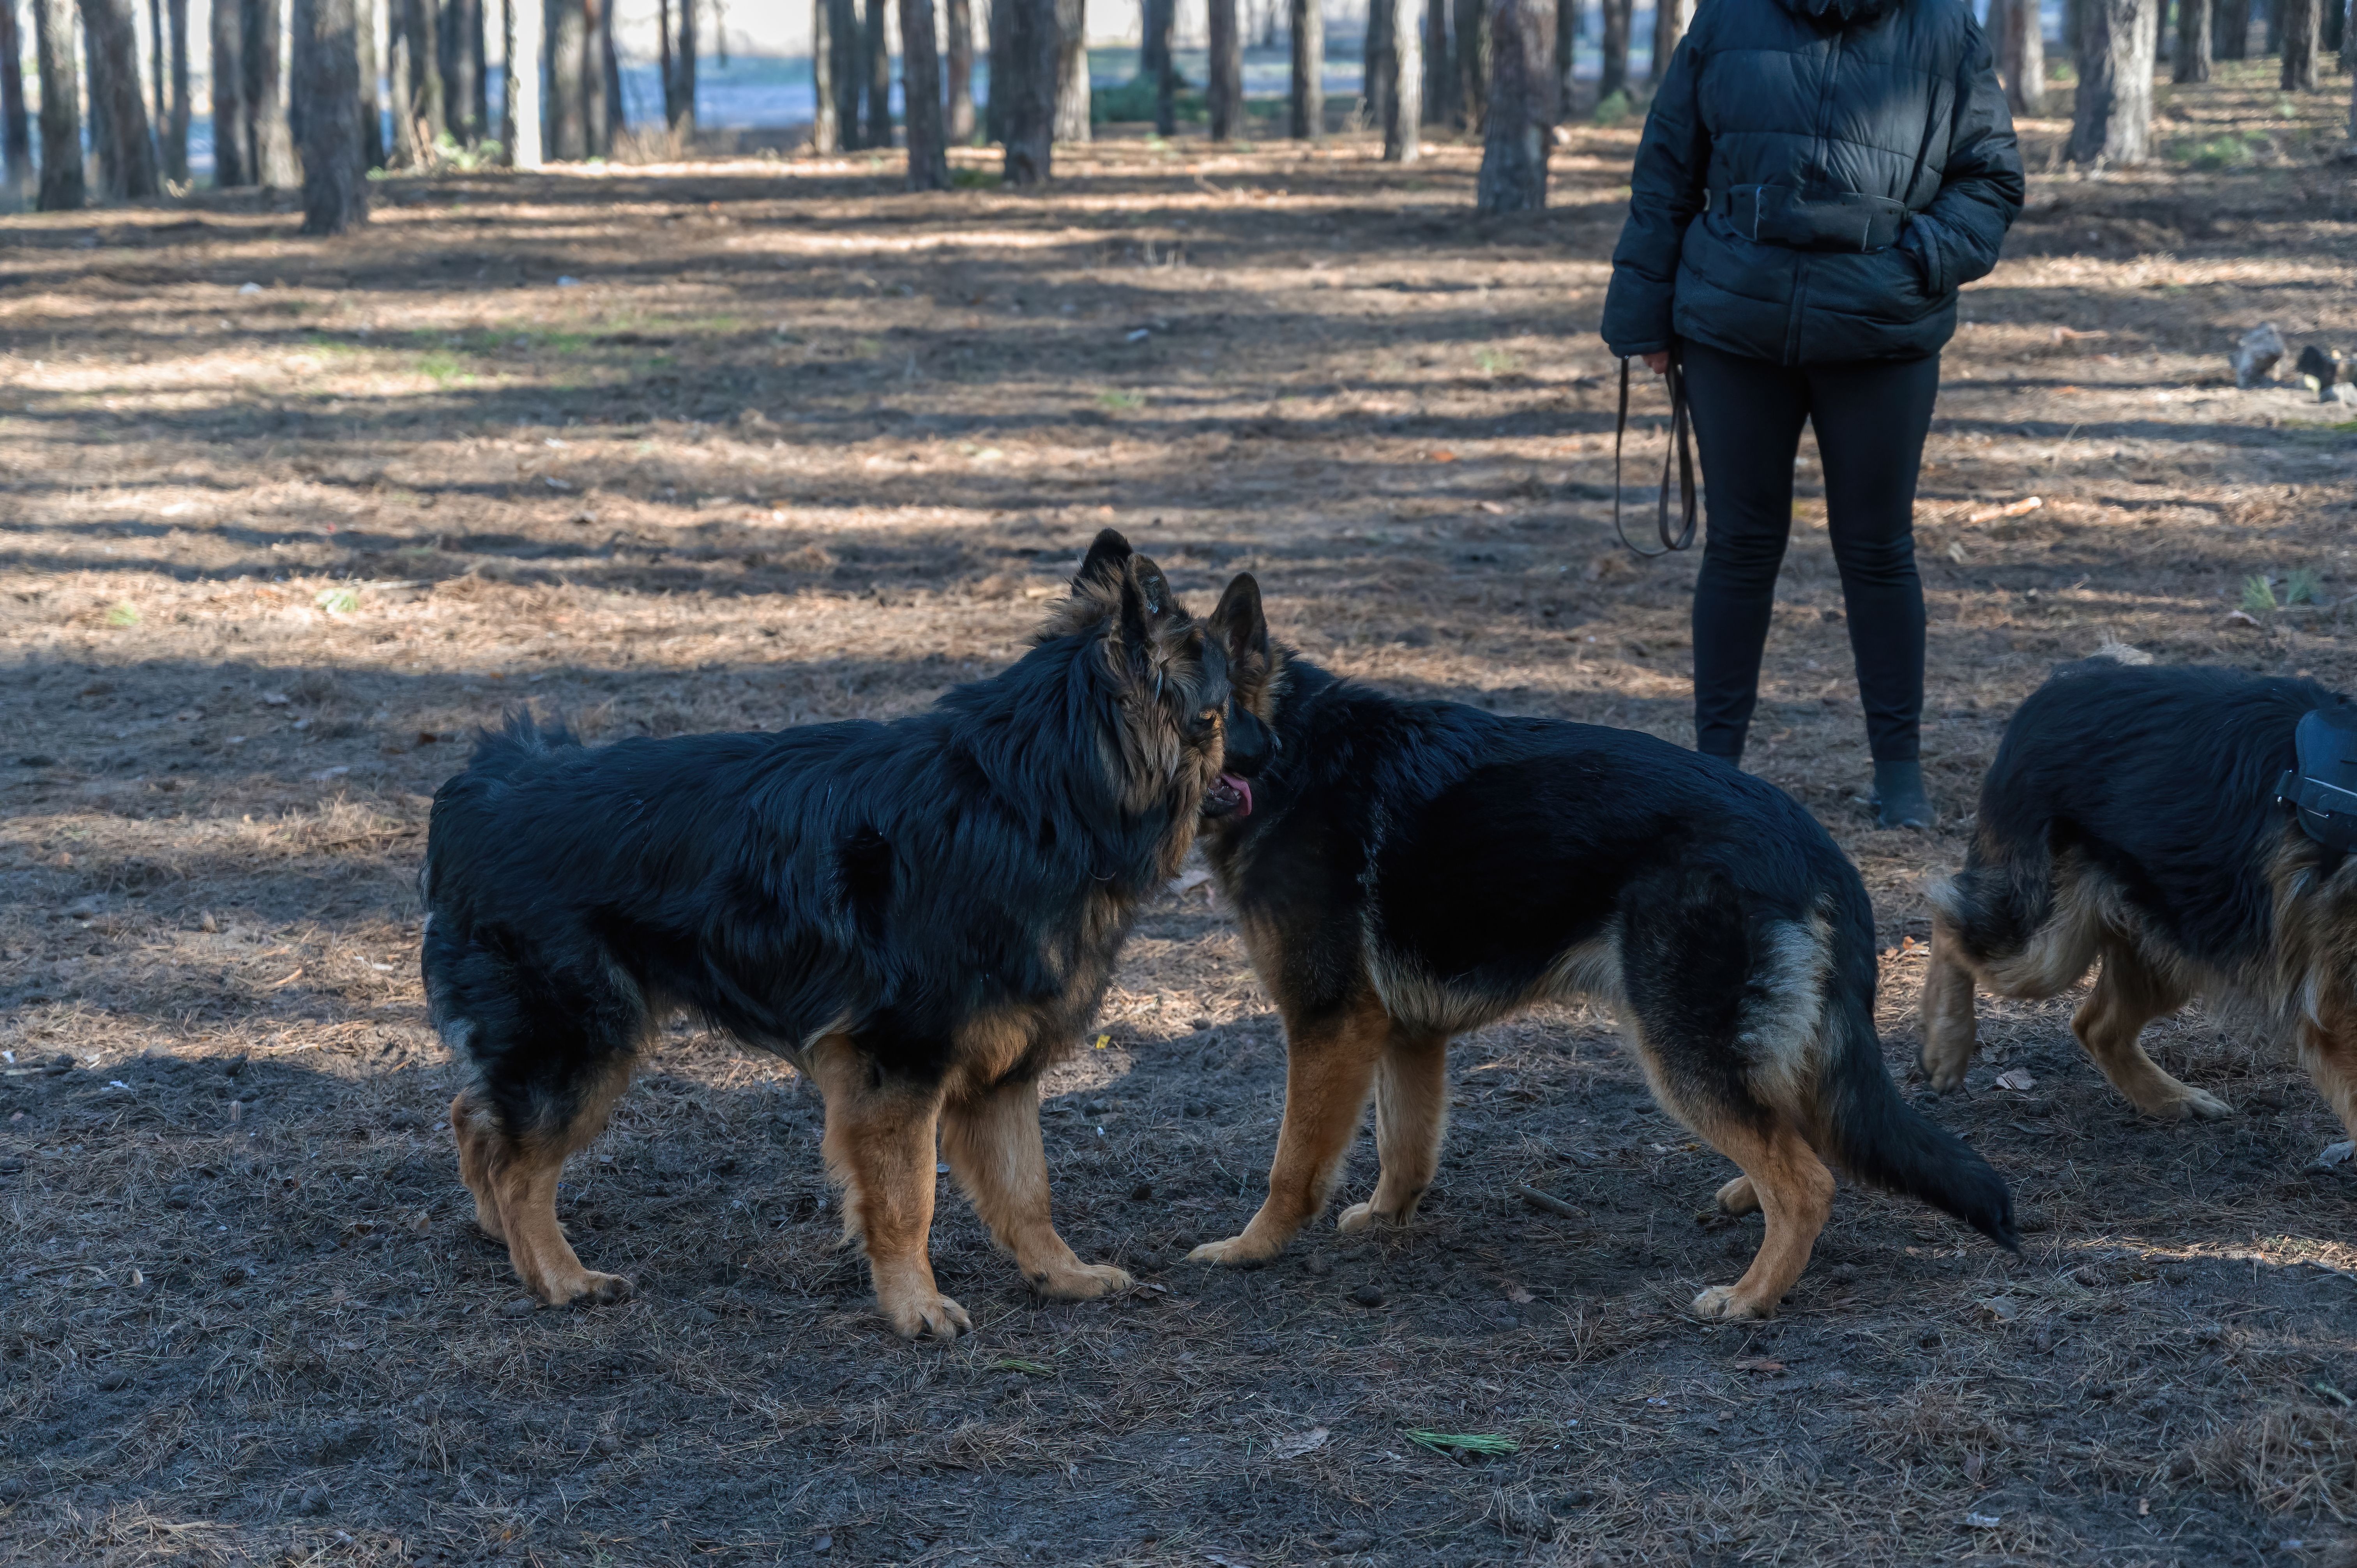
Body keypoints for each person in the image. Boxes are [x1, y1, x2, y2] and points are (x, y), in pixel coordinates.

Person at [1600, 0, 2023, 828]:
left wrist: (1917, 260)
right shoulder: (1728, 18)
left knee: (1879, 550)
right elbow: (1667, 168)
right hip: (1735, 325)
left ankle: (1899, 774)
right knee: (1739, 547)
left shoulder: (1942, 28)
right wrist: (1642, 318)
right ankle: (1714, 768)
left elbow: (1991, 178)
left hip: (1883, 333)